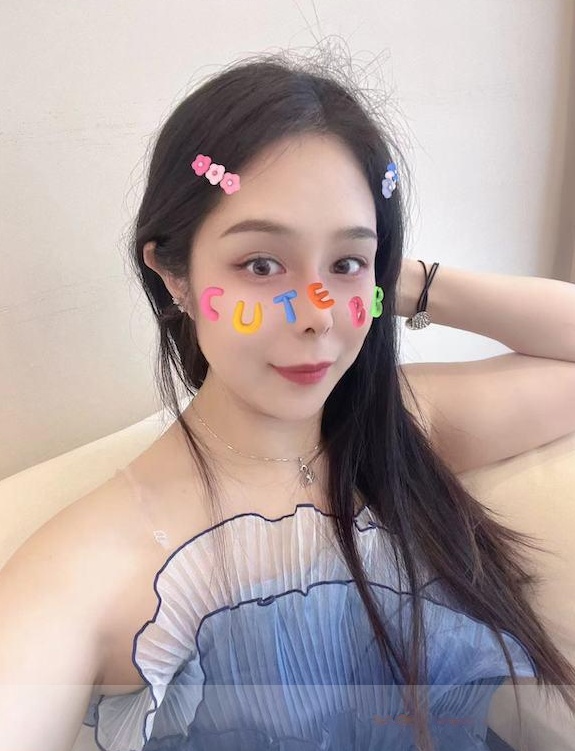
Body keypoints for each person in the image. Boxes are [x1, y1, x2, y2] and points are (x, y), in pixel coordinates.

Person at [2, 43, 575, 751]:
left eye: (346, 262)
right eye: (261, 263)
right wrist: (343, 259)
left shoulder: (401, 428)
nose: (316, 314)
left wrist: (402, 278)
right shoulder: (89, 566)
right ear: (174, 274)